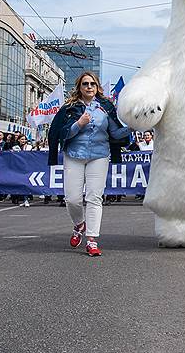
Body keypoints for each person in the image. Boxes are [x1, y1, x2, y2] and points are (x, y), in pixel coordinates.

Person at [48, 71, 131, 257]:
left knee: (94, 197)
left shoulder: (106, 107)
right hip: (74, 155)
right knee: (72, 199)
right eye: (85, 84)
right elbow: (61, 135)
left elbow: (115, 134)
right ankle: (79, 225)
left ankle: (92, 240)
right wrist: (79, 123)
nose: (89, 87)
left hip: (99, 156)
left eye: (92, 84)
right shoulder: (69, 108)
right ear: (79, 87)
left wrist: (132, 128)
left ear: (97, 87)